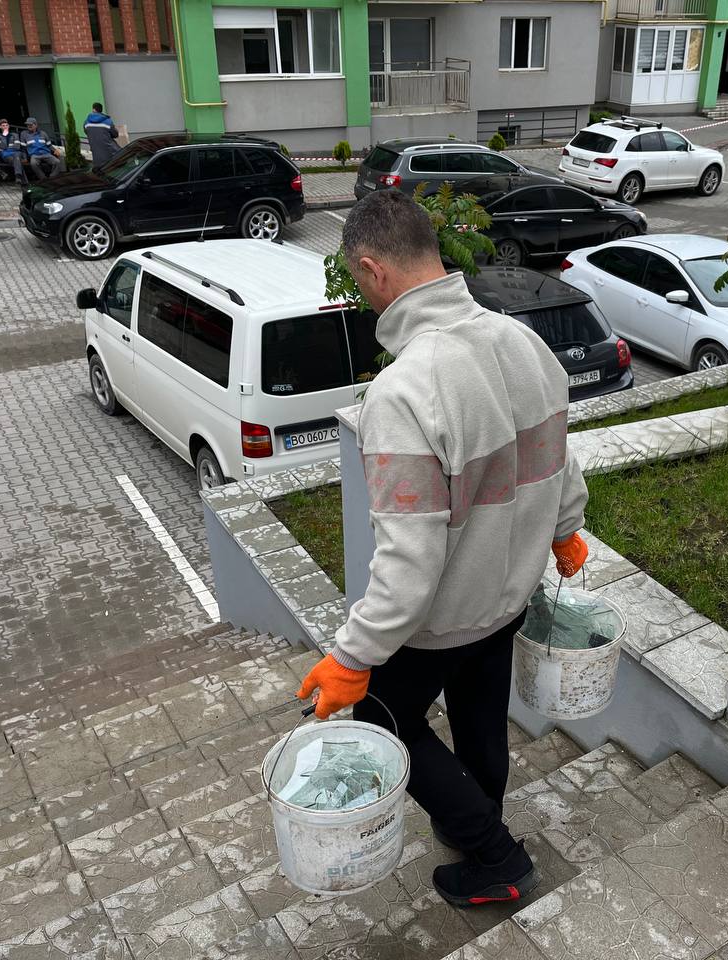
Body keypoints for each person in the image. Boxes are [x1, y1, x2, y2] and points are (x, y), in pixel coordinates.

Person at [295, 189, 590, 908]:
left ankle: (496, 857)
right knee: (480, 714)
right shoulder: (522, 342)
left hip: (443, 618)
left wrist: (353, 656)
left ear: (372, 270)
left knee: (383, 718)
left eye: (360, 281)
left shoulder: (404, 391)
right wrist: (565, 528)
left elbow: (409, 561)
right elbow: (558, 457)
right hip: (508, 597)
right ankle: (473, 823)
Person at [0, 118, 28, 186]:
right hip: (6, 155)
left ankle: (18, 178)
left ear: (8, 126)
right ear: (0, 127)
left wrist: (7, 147)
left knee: (16, 156)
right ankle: (22, 181)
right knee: (17, 161)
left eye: (6, 125)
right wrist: (5, 136)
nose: (5, 127)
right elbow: (3, 146)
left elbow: (17, 146)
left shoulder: (15, 135)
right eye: (3, 125)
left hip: (16, 153)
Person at [85, 102, 120, 170]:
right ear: (101, 110)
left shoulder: (86, 123)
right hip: (111, 153)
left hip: (97, 156)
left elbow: (87, 133)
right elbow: (115, 134)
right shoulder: (108, 121)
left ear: (93, 110)